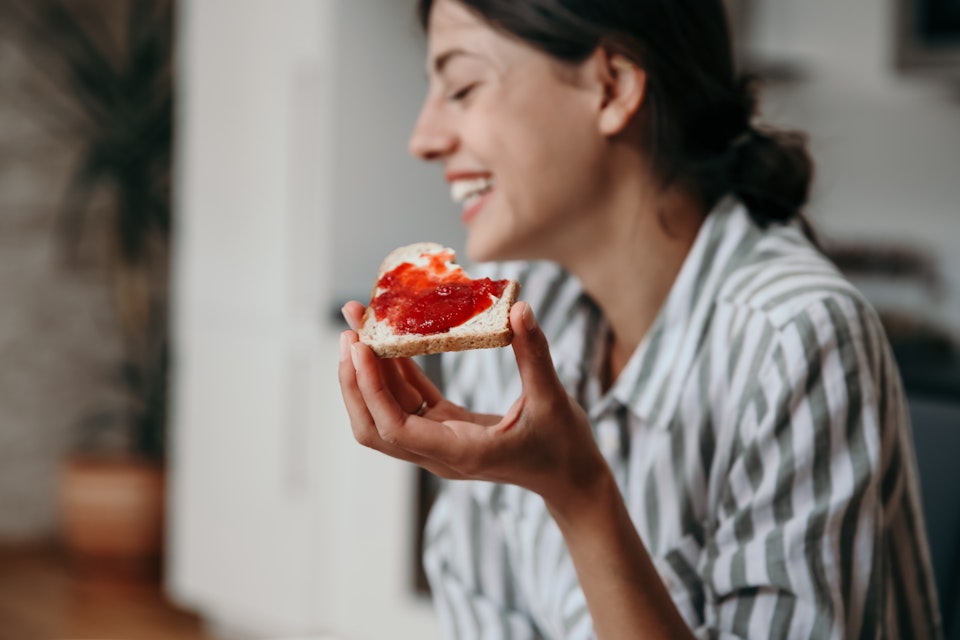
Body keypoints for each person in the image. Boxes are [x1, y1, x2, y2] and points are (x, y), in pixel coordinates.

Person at [338, 0, 942, 637]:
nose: (423, 138)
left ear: (612, 88)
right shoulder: (511, 326)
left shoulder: (792, 338)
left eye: (461, 86)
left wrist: (579, 492)